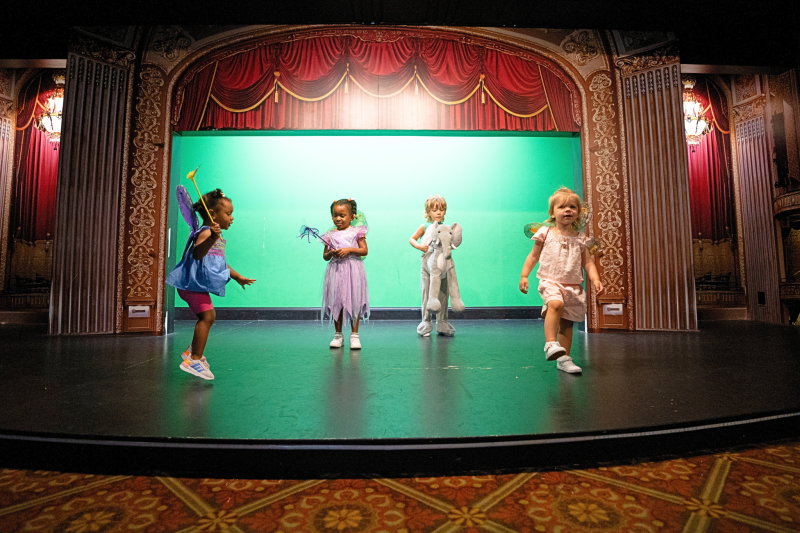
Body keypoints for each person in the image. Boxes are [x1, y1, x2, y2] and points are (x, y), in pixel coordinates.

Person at [166, 188, 255, 380]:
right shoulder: (206, 233)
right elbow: (198, 254)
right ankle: (194, 360)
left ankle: (192, 352)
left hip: (194, 285)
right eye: (228, 213)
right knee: (207, 317)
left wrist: (238, 277)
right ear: (213, 214)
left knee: (208, 316)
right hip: (190, 285)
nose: (232, 218)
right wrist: (213, 237)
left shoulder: (213, 235)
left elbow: (219, 261)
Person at [519, 187, 602, 374]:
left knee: (567, 323)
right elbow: (533, 256)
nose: (568, 210)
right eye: (562, 207)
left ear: (578, 213)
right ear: (552, 212)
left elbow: (588, 262)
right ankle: (550, 343)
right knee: (555, 304)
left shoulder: (580, 239)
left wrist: (595, 279)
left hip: (572, 285)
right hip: (550, 281)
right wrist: (524, 275)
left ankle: (563, 359)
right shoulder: (545, 233)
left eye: (572, 207)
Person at [322, 198, 369, 349]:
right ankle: (338, 335)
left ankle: (354, 335)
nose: (338, 218)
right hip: (336, 271)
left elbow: (364, 250)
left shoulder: (357, 232)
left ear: (352, 216)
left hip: (353, 270)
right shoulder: (330, 234)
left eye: (342, 215)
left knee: (354, 301)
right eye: (335, 215)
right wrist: (332, 253)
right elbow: (325, 256)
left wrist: (349, 250)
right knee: (337, 301)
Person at [409, 195, 456, 336]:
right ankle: (426, 322)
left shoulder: (446, 228)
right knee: (427, 293)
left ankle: (442, 322)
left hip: (443, 265)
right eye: (435, 210)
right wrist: (419, 246)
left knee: (443, 293)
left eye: (441, 209)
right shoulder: (424, 226)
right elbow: (412, 239)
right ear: (428, 212)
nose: (438, 212)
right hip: (427, 265)